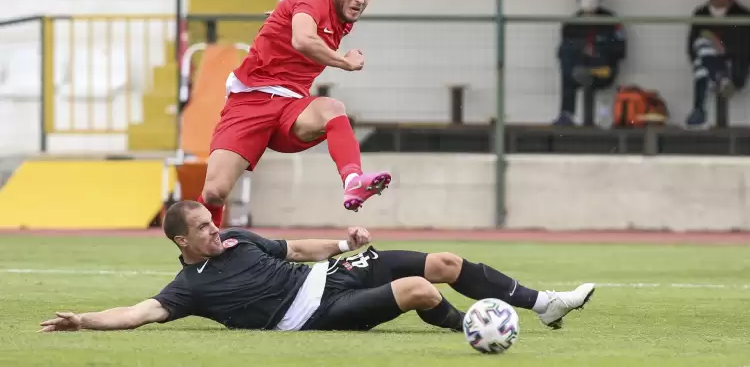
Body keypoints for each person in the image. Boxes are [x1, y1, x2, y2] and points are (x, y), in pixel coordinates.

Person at [39, 201, 596, 333]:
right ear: (182, 240)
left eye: (214, 222)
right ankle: (473, 328)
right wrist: (85, 320)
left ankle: (544, 305)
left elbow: (295, 251)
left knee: (444, 262)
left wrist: (342, 240)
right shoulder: (188, 289)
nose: (216, 229)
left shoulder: (236, 237)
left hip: (332, 275)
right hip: (314, 313)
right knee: (420, 290)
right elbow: (137, 312)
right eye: (204, 228)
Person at [199, 0, 388, 228]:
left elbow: (297, 20)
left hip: (290, 107)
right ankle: (205, 255)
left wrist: (281, 15)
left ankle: (353, 182)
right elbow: (302, 39)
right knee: (214, 193)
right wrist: (345, 61)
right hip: (251, 100)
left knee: (332, 108)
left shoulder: (342, 19)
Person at [554, 0, 627, 126]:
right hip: (578, 68)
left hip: (604, 68)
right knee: (567, 58)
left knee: (580, 70)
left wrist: (599, 51)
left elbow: (621, 49)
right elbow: (563, 52)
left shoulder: (611, 20)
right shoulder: (571, 23)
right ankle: (566, 114)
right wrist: (582, 51)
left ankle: (603, 118)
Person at [685, 0, 750, 128]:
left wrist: (723, 47)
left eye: (724, 2)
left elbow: (746, 48)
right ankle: (720, 78)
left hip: (733, 67)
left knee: (702, 52)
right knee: (701, 46)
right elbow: (691, 47)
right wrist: (711, 41)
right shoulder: (701, 13)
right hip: (709, 67)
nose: (720, 5)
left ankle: (699, 108)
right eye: (717, 1)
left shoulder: (743, 14)